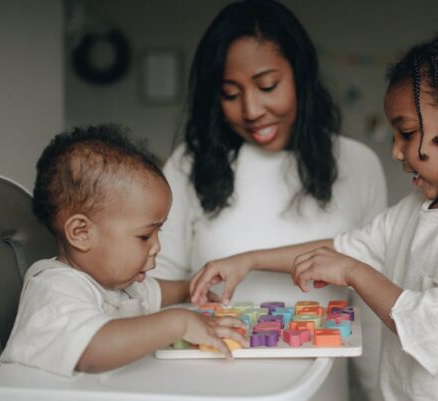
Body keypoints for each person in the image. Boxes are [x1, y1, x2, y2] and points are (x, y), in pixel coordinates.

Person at [190, 27, 438, 401]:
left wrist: (354, 274)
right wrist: (247, 261)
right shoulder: (415, 209)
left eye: (406, 133)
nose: (395, 151)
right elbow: (342, 250)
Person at [150, 1, 387, 399]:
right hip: (207, 389)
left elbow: (373, 301)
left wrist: (378, 394)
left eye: (267, 86)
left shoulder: (358, 165)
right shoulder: (188, 165)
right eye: (230, 93)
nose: (252, 110)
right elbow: (158, 290)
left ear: (301, 75)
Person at [0, 125, 247, 377]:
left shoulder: (119, 284)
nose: (157, 246)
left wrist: (192, 289)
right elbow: (93, 351)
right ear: (81, 233)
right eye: (145, 235)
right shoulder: (54, 290)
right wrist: (179, 322)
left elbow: (158, 292)